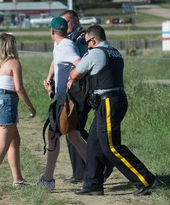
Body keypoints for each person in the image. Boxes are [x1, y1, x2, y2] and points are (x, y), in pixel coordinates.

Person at [67, 25, 157, 196]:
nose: (87, 46)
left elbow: (74, 74)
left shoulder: (95, 53)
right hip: (113, 100)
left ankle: (145, 179)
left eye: (87, 43)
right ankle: (93, 184)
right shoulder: (114, 52)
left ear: (93, 40)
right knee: (93, 144)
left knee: (111, 147)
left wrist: (72, 77)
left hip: (108, 102)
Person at [0, 33, 36, 198]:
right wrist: (32, 108)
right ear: (12, 45)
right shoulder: (14, 63)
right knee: (1, 147)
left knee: (14, 140)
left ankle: (17, 179)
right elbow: (19, 89)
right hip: (6, 102)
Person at [60, 10, 113, 184]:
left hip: (83, 91)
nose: (63, 26)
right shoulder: (68, 40)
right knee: (72, 129)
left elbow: (83, 64)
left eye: (66, 22)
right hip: (76, 89)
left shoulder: (82, 38)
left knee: (74, 130)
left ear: (75, 21)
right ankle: (81, 171)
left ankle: (100, 163)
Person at [37, 17, 87, 191]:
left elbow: (81, 65)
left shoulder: (66, 46)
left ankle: (48, 179)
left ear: (52, 32)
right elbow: (56, 60)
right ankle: (94, 172)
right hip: (62, 98)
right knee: (71, 136)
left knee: (57, 136)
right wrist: (50, 79)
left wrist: (72, 79)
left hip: (67, 99)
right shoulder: (59, 45)